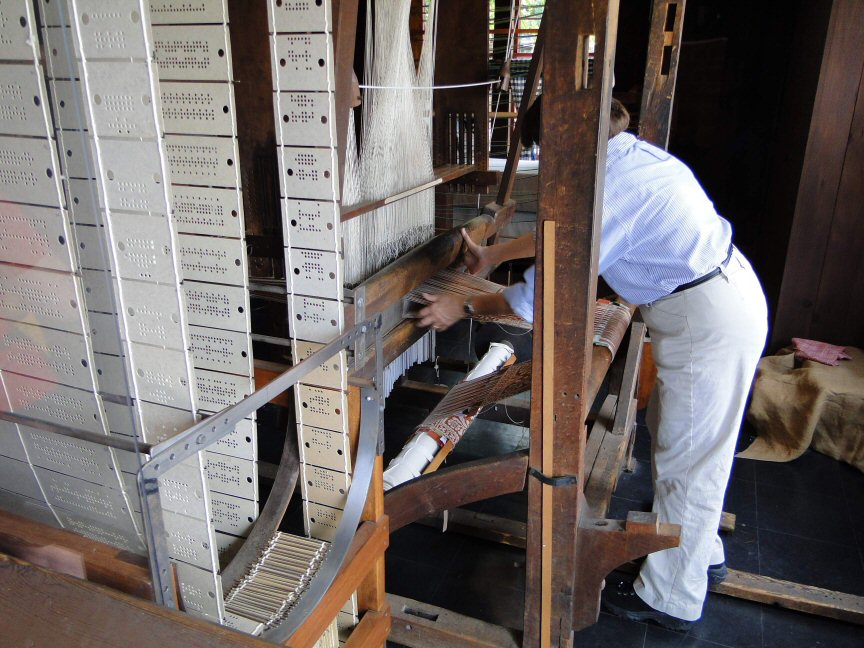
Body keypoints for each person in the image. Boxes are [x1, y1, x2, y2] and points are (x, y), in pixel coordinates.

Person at [417, 98, 768, 630]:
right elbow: (563, 233)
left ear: (566, 142)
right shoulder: (626, 158)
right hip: (711, 303)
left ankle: (672, 597)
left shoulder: (610, 189)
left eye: (545, 151)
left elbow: (541, 295)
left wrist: (460, 306)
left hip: (707, 320)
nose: (547, 163)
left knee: (690, 457)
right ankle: (698, 553)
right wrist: (494, 256)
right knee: (685, 443)